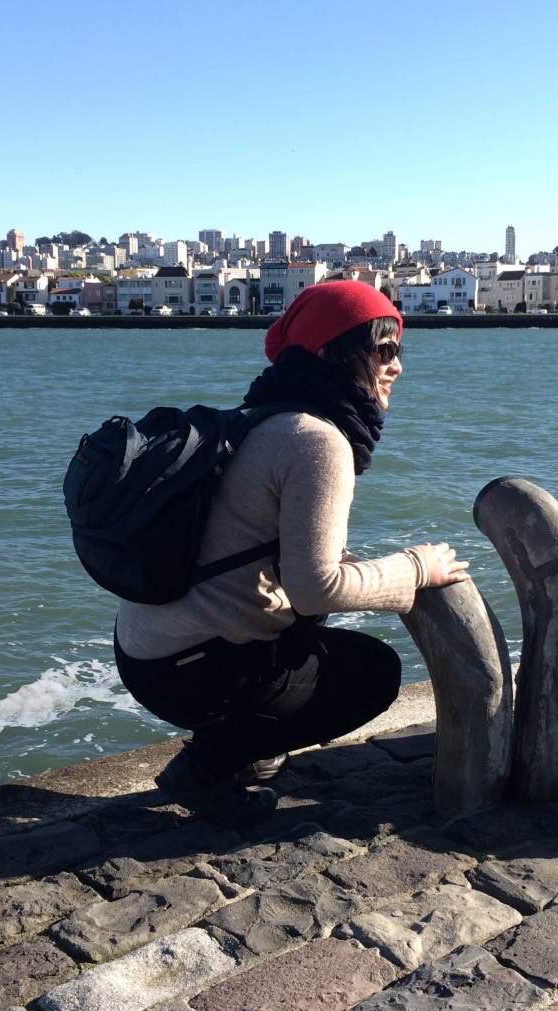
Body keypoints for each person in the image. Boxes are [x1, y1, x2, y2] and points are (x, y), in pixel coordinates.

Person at [113, 280, 470, 824]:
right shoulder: (317, 440)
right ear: (332, 355)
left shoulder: (258, 416)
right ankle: (207, 768)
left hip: (145, 652)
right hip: (186, 670)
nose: (396, 365)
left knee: (308, 640)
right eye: (384, 349)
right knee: (371, 674)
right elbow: (315, 586)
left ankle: (240, 745)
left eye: (399, 350)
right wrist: (418, 568)